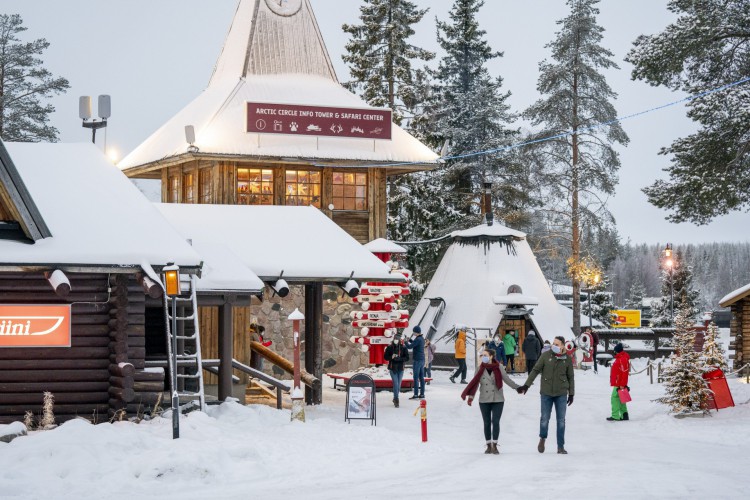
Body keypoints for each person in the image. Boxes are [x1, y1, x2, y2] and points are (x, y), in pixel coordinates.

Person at [517, 335, 575, 455]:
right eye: (553, 343)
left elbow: (571, 377)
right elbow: (535, 370)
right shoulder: (545, 355)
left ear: (563, 346)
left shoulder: (567, 359)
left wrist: (571, 394)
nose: (554, 346)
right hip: (546, 393)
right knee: (544, 419)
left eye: (557, 344)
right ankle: (542, 438)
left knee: (561, 421)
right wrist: (526, 385)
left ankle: (560, 446)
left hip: (561, 393)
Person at [461, 348, 520, 454]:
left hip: (498, 399)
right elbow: (474, 384)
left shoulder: (499, 367)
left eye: (485, 355)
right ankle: (488, 445)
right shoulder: (479, 368)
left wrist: (518, 388)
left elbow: (507, 379)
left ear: (491, 356)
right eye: (482, 355)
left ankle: (495, 445)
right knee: (487, 422)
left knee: (495, 421)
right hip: (484, 399)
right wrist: (471, 397)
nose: (483, 357)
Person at [384, 333, 409, 408]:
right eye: (395, 339)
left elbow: (407, 358)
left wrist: (399, 359)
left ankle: (395, 397)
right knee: (396, 383)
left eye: (397, 339)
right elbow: (385, 357)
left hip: (401, 368)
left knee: (398, 385)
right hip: (392, 368)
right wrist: (391, 357)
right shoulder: (389, 347)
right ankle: (396, 399)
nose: (396, 340)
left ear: (399, 340)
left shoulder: (403, 347)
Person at [608, 343, 630, 421]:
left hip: (619, 383)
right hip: (619, 382)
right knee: (621, 398)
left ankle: (615, 416)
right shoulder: (621, 358)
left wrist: (622, 384)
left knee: (614, 398)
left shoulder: (622, 359)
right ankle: (624, 414)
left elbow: (625, 373)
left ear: (617, 351)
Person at [405, 326, 426, 399]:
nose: (413, 333)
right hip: (422, 359)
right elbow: (414, 344)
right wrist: (410, 340)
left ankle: (416, 395)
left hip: (417, 360)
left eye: (414, 332)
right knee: (421, 377)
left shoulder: (418, 339)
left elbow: (410, 347)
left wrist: (405, 342)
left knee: (416, 377)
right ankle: (422, 394)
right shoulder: (421, 338)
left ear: (416, 332)